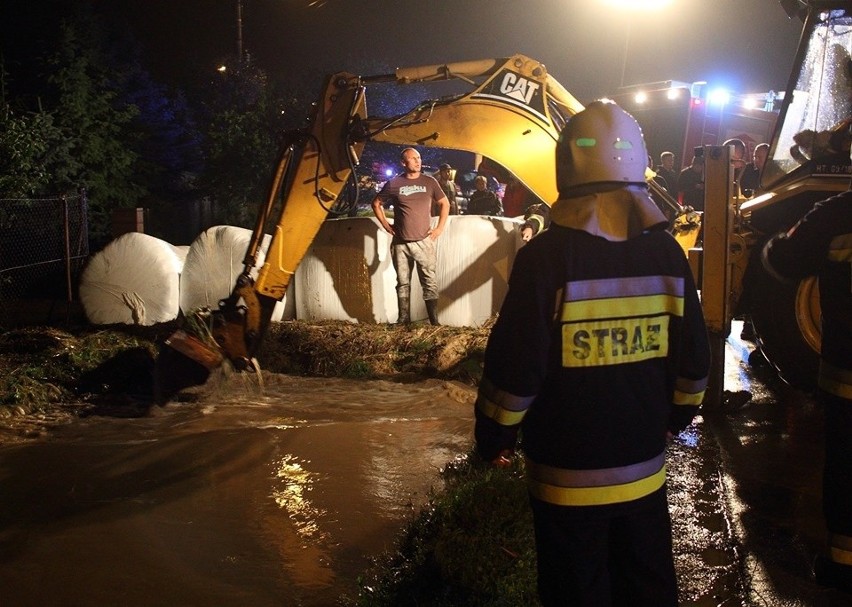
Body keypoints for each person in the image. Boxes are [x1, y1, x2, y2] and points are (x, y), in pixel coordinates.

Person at [474, 99, 711, 606]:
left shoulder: (544, 259)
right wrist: (678, 417)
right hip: (644, 469)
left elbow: (516, 370)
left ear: (566, 168)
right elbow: (693, 358)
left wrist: (494, 438)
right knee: (646, 586)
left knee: (575, 592)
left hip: (564, 478)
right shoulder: (667, 253)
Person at [762, 187, 852, 593]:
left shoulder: (836, 213)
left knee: (847, 468)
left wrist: (779, 236)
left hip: (847, 377)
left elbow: (783, 259)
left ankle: (845, 565)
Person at [372, 147, 449, 326]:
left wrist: (439, 229)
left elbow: (444, 203)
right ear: (403, 162)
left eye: (419, 158)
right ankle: (403, 320)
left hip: (423, 241)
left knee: (429, 281)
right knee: (402, 282)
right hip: (400, 243)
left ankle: (434, 322)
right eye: (412, 158)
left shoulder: (429, 182)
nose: (417, 161)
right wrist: (385, 225)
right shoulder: (394, 184)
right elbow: (376, 203)